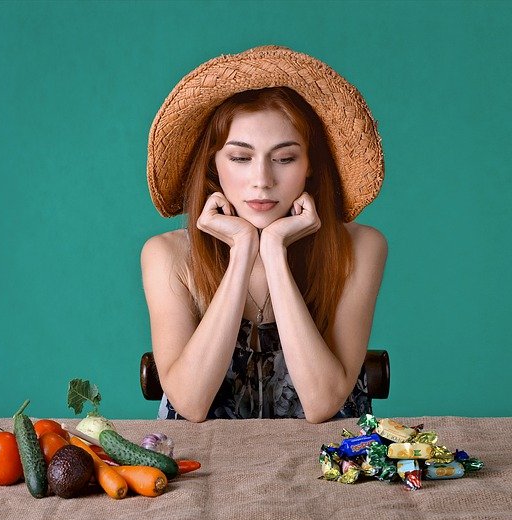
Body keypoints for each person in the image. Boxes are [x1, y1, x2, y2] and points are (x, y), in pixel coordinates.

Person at [141, 46, 387, 423]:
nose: (262, 181)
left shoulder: (362, 246)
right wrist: (241, 251)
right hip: (206, 469)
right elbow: (190, 404)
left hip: (330, 465)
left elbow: (323, 404)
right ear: (214, 166)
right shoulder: (166, 254)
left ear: (310, 166)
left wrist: (274, 251)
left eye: (284, 158)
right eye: (241, 158)